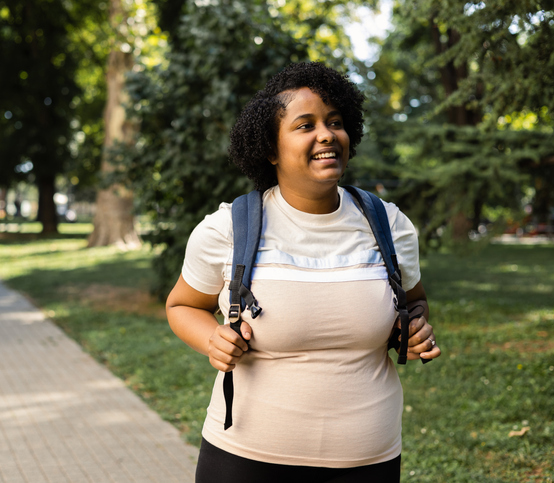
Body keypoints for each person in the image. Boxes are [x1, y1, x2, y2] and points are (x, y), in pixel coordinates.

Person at [166, 62, 442, 483]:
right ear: (271, 149)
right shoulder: (227, 228)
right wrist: (211, 339)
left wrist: (414, 327)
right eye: (305, 125)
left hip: (368, 462)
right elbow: (182, 305)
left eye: (335, 122)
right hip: (245, 460)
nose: (327, 134)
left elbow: (414, 301)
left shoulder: (388, 224)